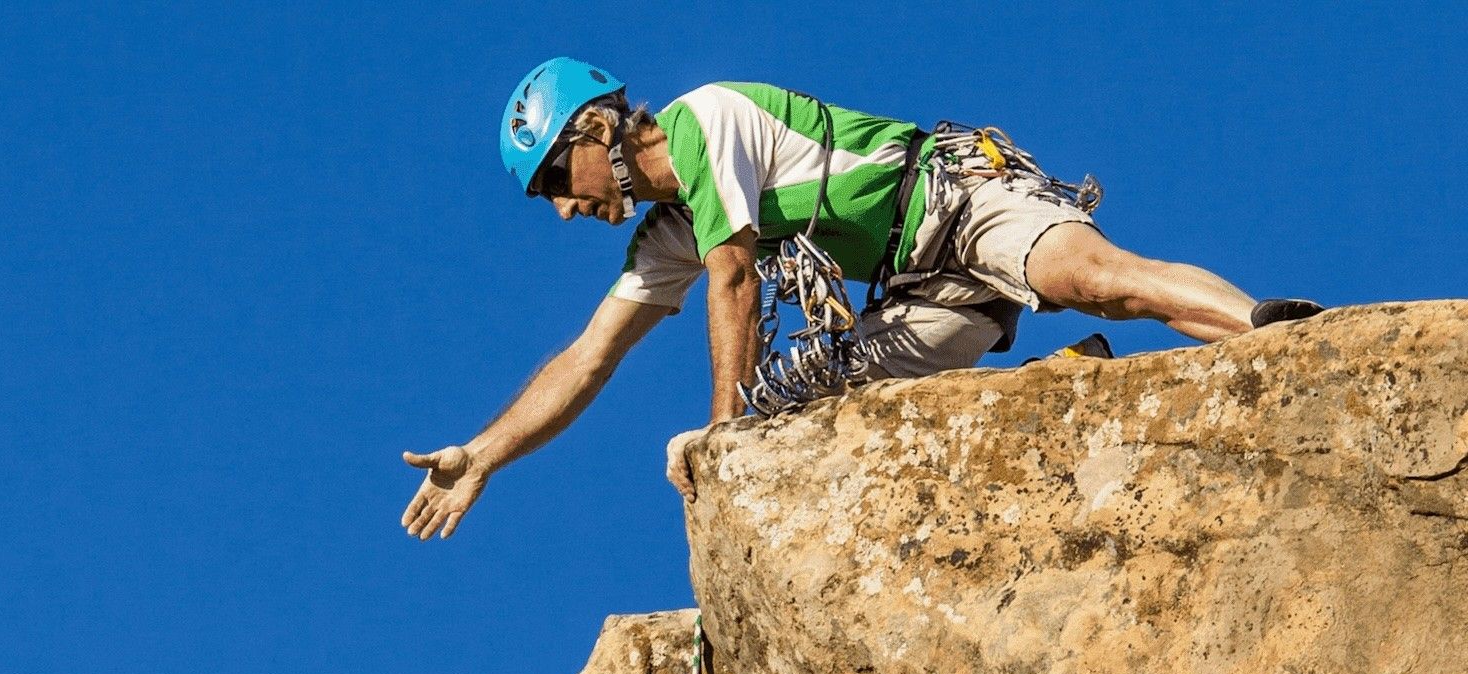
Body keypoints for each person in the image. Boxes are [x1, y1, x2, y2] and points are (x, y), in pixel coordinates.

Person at [400, 60, 1323, 541]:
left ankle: (1273, 335)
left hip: (954, 199)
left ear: (595, 126)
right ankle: (1058, 388)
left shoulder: (707, 120)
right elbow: (589, 353)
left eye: (557, 177)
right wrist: (483, 454)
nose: (564, 207)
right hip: (914, 292)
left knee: (1093, 280)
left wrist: (722, 433)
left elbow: (735, 276)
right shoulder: (665, 232)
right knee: (805, 416)